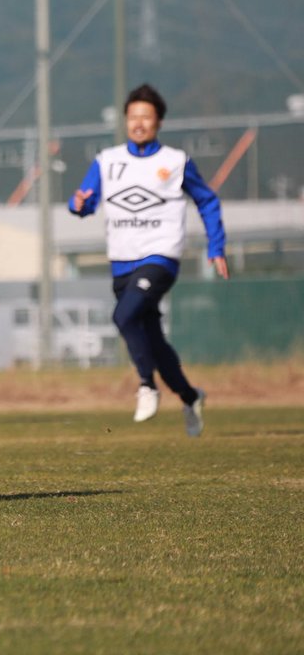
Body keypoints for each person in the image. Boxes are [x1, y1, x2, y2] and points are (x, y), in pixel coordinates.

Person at [69, 83, 227, 437]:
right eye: (133, 117)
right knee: (152, 340)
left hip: (161, 257)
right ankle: (190, 396)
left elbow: (207, 200)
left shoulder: (175, 161)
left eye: (146, 117)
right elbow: (84, 200)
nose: (139, 123)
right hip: (121, 262)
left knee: (123, 315)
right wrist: (78, 204)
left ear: (158, 122)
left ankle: (146, 386)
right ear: (126, 121)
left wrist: (216, 246)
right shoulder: (108, 161)